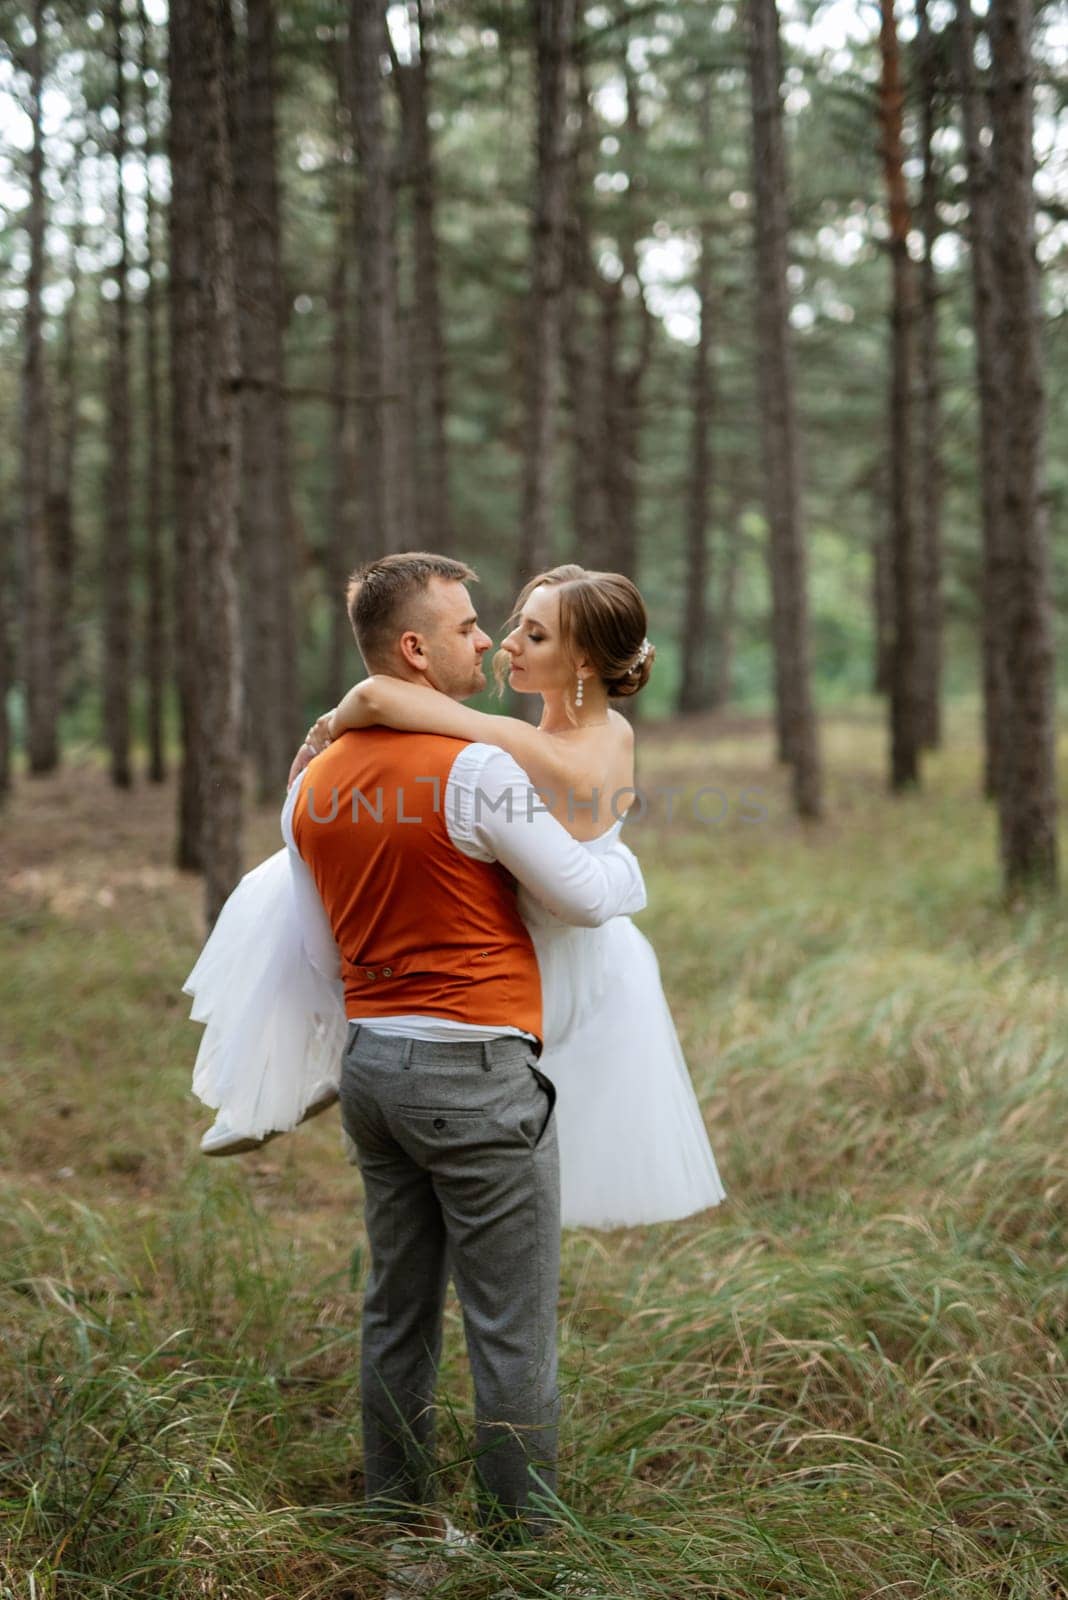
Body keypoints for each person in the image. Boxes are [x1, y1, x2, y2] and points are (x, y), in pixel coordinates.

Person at [186, 552, 649, 1551]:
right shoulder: (476, 767)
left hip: (373, 1072)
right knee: (510, 1330)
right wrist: (627, 868)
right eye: (471, 625)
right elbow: (578, 892)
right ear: (415, 647)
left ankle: (394, 1529)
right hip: (478, 1075)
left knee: (396, 1313)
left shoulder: (313, 779)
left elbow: (313, 940)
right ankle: (521, 1549)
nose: (485, 640)